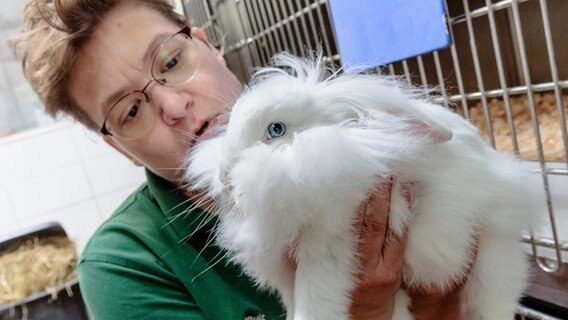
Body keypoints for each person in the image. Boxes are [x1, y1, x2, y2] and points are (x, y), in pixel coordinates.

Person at [13, 0, 469, 319]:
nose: (174, 107)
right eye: (131, 112)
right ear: (119, 148)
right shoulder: (124, 263)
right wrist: (363, 310)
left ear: (209, 46)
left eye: (172, 61)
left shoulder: (340, 124)